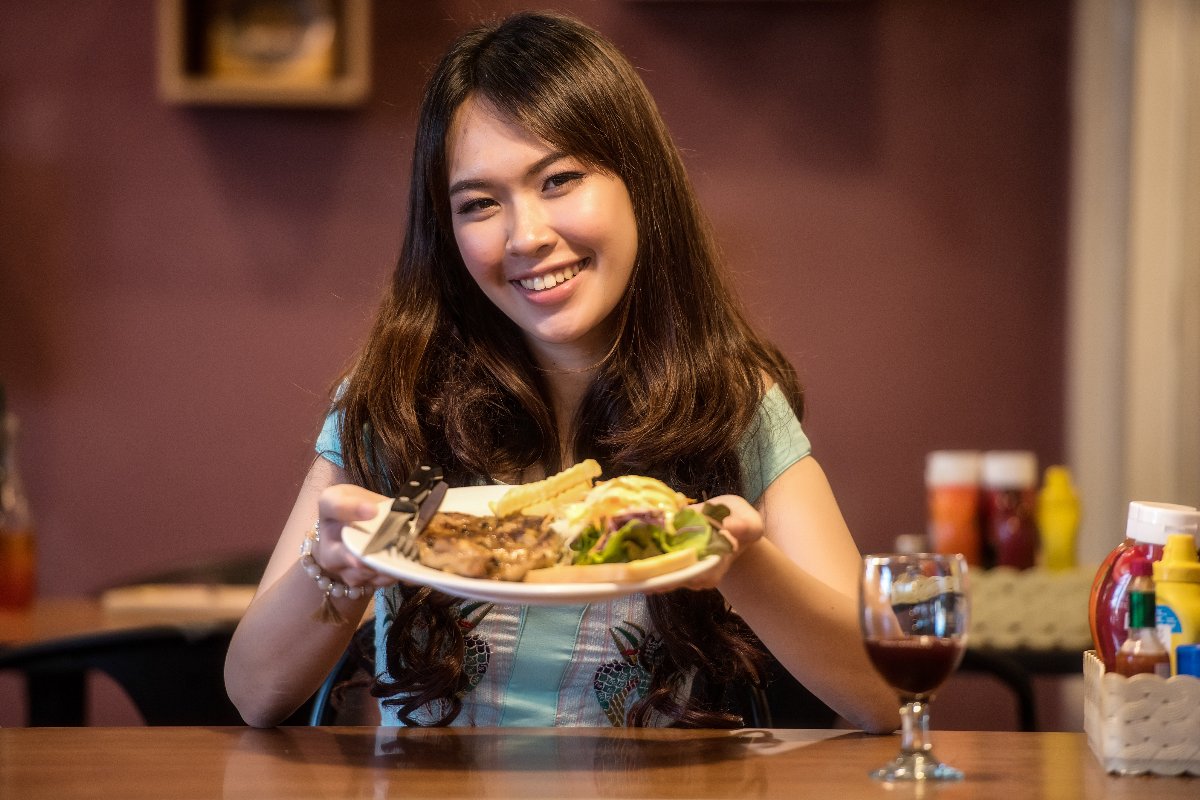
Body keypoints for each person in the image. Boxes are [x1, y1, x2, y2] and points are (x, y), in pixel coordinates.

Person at [225, 10, 898, 732]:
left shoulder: (727, 404)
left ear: (640, 183)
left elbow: (886, 693)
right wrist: (332, 570)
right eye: (479, 204)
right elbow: (255, 693)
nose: (527, 237)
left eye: (560, 180)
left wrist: (739, 562)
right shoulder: (392, 401)